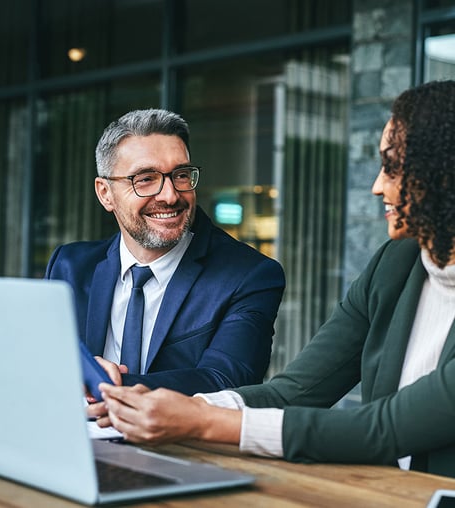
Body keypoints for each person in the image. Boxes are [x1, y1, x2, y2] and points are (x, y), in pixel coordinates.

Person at [93, 81, 455, 479]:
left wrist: (201, 420)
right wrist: (183, 407)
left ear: (443, 174)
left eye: (392, 167)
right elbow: (294, 392)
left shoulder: (249, 274)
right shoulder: (396, 263)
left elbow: (381, 428)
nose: (376, 186)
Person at [45, 108, 285, 397]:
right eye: (145, 179)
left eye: (181, 175)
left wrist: (106, 385)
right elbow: (43, 363)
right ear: (105, 193)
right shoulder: (69, 265)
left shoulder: (249, 275)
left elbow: (225, 382)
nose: (171, 196)